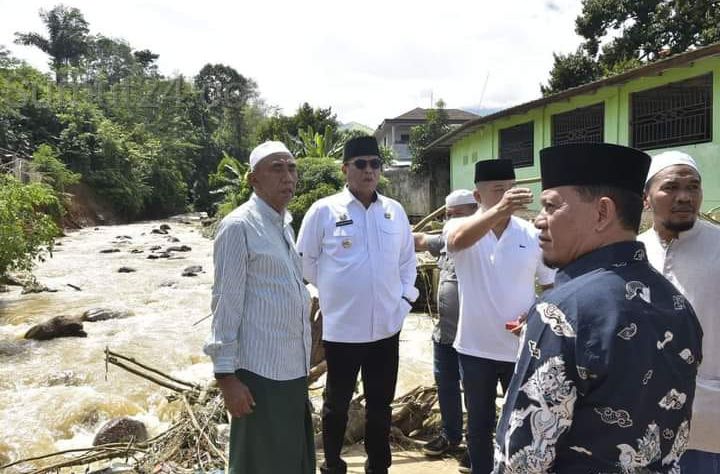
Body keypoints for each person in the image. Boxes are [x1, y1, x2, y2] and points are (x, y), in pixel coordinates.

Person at [494, 143, 703, 474]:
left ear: (602, 213)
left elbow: (522, 460)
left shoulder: (561, 312)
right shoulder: (679, 307)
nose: (538, 220)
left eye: (551, 206)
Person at [296, 135, 418, 474]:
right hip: (342, 330)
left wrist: (406, 300)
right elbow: (305, 262)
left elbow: (407, 262)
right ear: (345, 168)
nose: (369, 170)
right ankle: (333, 464)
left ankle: (378, 466)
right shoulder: (323, 211)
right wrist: (339, 292)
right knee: (336, 404)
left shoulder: (394, 212)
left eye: (375, 164)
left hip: (386, 329)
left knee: (380, 405)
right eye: (361, 164)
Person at [203, 141, 315, 474]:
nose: (288, 177)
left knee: (293, 458)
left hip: (293, 371)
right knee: (259, 462)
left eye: (292, 168)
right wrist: (226, 378)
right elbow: (225, 301)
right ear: (253, 180)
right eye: (276, 168)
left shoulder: (285, 225)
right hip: (258, 376)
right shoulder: (239, 227)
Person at [445, 159, 555, 474]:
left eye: (510, 188)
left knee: (524, 422)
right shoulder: (460, 227)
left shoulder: (531, 232)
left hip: (521, 349)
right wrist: (500, 210)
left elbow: (550, 284)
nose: (507, 195)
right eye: (497, 190)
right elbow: (456, 243)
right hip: (475, 348)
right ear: (478, 197)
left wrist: (533, 314)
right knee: (479, 425)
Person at [638, 150, 720, 473]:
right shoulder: (634, 251)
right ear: (646, 199)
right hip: (643, 419)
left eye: (693, 187)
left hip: (708, 419)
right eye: (671, 187)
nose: (684, 196)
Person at [414, 189, 478, 470]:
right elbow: (418, 239)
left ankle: (477, 444)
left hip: (475, 334)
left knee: (476, 392)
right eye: (448, 215)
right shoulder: (445, 240)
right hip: (445, 333)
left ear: (476, 212)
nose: (451, 220)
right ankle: (450, 435)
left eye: (457, 214)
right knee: (446, 385)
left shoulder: (484, 241)